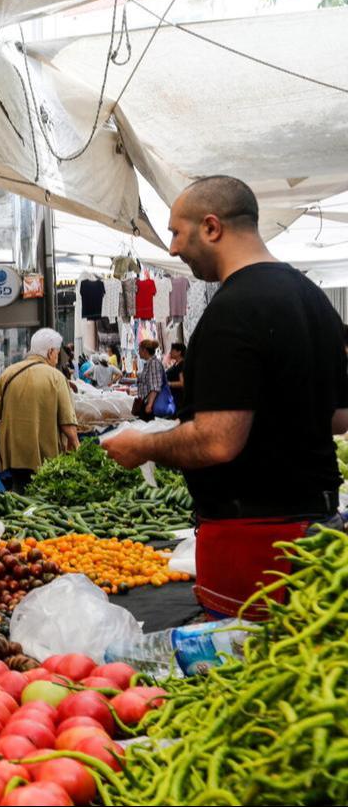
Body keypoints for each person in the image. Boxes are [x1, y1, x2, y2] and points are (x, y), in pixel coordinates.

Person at [104, 176, 348, 619]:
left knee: (248, 672)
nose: (173, 249)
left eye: (178, 232)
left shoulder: (233, 310)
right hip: (319, 528)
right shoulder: (316, 301)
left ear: (212, 227)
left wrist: (143, 447)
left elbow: (217, 441)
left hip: (255, 539)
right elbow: (339, 417)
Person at [0, 328, 80, 493]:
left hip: (14, 452)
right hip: (45, 453)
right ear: (50, 351)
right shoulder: (56, 377)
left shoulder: (8, 373)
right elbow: (67, 421)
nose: (57, 357)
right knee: (44, 495)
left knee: (20, 490)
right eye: (57, 353)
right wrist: (76, 445)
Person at [132, 339, 166, 421]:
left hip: (151, 404)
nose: (138, 352)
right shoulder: (149, 363)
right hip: (146, 402)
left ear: (145, 350)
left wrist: (149, 405)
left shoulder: (153, 363)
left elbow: (155, 387)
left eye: (139, 350)